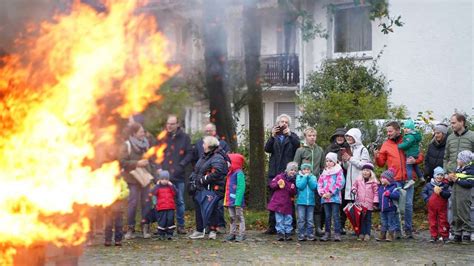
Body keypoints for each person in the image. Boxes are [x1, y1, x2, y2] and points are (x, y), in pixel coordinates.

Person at [375, 121, 423, 239]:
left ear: (398, 130)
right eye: (387, 131)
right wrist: (376, 157)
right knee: (395, 206)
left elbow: (420, 155)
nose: (388, 133)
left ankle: (408, 230)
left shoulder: (408, 139)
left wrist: (415, 161)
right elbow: (381, 164)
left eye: (390, 131)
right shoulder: (386, 144)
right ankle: (396, 230)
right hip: (394, 180)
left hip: (408, 178)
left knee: (407, 205)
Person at [264, 114, 300, 234]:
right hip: (274, 172)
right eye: (281, 121)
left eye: (285, 122)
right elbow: (267, 149)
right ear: (278, 123)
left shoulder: (292, 136)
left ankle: (291, 226)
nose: (283, 123)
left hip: (288, 172)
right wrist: (272, 136)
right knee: (274, 199)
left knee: (289, 199)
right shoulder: (274, 136)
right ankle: (272, 226)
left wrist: (289, 134)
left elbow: (297, 145)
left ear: (288, 124)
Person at [119, 122, 156, 240]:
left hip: (145, 177)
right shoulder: (127, 145)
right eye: (141, 131)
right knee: (133, 204)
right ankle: (130, 228)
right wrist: (137, 163)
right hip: (132, 179)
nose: (143, 133)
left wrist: (154, 173)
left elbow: (152, 159)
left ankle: (146, 227)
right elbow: (122, 162)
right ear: (134, 133)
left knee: (147, 203)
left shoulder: (147, 144)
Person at [157, 115, 193, 235]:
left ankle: (181, 225)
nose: (169, 126)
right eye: (168, 123)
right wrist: (159, 168)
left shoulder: (185, 137)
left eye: (172, 124)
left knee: (179, 201)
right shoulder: (162, 138)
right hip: (164, 176)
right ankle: (163, 226)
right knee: (162, 201)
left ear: (177, 124)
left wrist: (181, 165)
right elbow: (157, 153)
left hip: (178, 175)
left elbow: (189, 154)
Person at [188, 136, 228, 240]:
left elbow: (218, 171)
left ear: (209, 146)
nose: (202, 145)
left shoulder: (217, 157)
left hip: (211, 189)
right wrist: (193, 177)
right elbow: (197, 169)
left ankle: (212, 231)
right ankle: (199, 230)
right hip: (200, 188)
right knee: (199, 209)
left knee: (212, 210)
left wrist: (203, 180)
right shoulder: (204, 156)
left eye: (204, 143)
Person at [443, 113, 474, 241]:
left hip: (467, 178)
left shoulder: (472, 136)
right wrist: (446, 172)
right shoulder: (450, 138)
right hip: (452, 177)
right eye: (451, 122)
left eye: (454, 122)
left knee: (466, 205)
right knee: (453, 205)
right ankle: (456, 231)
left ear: (462, 122)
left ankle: (468, 231)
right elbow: (446, 157)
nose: (452, 125)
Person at [293, 127, 325, 236]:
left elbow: (322, 167)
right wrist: (300, 178)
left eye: (314, 136)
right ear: (305, 137)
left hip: (314, 182)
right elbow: (295, 166)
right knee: (303, 206)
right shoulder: (300, 150)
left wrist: (320, 179)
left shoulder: (319, 150)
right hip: (303, 183)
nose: (312, 138)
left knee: (316, 205)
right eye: (310, 136)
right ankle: (302, 229)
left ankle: (317, 228)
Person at [325, 128, 351, 234]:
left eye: (342, 136)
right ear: (335, 137)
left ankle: (341, 225)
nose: (340, 138)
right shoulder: (330, 148)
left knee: (344, 202)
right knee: (331, 202)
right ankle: (329, 226)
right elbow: (325, 162)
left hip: (345, 177)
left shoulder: (349, 148)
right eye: (338, 136)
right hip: (331, 179)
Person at [342, 128, 370, 218]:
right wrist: (345, 161)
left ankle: (362, 229)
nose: (348, 138)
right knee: (353, 209)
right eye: (347, 137)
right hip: (350, 184)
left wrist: (350, 159)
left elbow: (364, 166)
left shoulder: (363, 150)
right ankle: (356, 228)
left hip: (360, 182)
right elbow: (347, 167)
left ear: (356, 137)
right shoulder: (349, 149)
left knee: (360, 207)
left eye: (351, 136)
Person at [318, 152, 345, 242]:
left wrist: (331, 192)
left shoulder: (338, 171)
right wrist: (322, 193)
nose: (328, 163)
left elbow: (340, 183)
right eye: (327, 161)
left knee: (335, 215)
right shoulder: (324, 172)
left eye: (330, 161)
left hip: (335, 198)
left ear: (334, 162)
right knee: (327, 216)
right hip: (325, 198)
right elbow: (320, 183)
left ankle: (337, 233)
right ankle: (327, 233)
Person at [447, 150, 474, 243]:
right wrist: (450, 179)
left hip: (464, 195)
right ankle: (457, 231)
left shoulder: (471, 170)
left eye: (459, 159)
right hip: (455, 194)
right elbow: (452, 183)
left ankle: (467, 231)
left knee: (464, 212)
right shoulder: (458, 169)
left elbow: (470, 183)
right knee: (455, 212)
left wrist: (457, 179)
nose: (457, 160)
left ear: (464, 160)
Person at [267, 162, 298, 241]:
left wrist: (292, 188)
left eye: (295, 170)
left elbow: (294, 193)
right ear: (287, 170)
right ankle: (280, 233)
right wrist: (278, 184)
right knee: (279, 219)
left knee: (288, 219)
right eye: (291, 170)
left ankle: (288, 233)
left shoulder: (294, 181)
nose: (293, 172)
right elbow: (271, 185)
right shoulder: (279, 177)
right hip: (278, 203)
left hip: (288, 203)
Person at [421, 167, 451, 243]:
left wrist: (441, 192)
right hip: (432, 207)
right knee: (432, 221)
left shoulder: (445, 185)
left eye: (441, 175)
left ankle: (444, 236)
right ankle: (433, 236)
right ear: (434, 176)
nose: (439, 177)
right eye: (438, 175)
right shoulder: (428, 185)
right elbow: (423, 193)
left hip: (442, 207)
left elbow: (448, 194)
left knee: (443, 221)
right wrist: (427, 199)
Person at [351, 162, 379, 241]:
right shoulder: (359, 180)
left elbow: (376, 193)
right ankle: (361, 233)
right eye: (364, 170)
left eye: (367, 170)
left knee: (368, 219)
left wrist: (375, 202)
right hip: (360, 203)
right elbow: (354, 186)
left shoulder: (373, 182)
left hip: (369, 204)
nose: (365, 172)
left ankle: (367, 233)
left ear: (371, 172)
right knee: (361, 219)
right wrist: (354, 190)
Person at [224, 153, 246, 242]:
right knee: (232, 217)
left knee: (239, 217)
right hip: (230, 201)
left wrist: (238, 202)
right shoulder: (229, 173)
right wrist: (226, 201)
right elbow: (227, 189)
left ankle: (241, 233)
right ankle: (232, 233)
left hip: (237, 201)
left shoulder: (239, 173)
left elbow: (241, 187)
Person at [376, 168, 401, 242]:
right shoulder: (380, 187)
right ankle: (382, 234)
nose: (382, 179)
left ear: (389, 179)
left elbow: (397, 195)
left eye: (384, 178)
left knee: (391, 222)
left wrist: (390, 194)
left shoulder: (393, 187)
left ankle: (390, 235)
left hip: (391, 209)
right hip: (382, 209)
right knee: (383, 222)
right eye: (381, 178)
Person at [151, 170, 177, 240]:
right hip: (161, 207)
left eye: (166, 179)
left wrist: (172, 185)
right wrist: (157, 185)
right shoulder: (158, 187)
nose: (164, 181)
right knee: (162, 221)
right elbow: (153, 192)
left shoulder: (170, 186)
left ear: (168, 180)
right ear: (160, 180)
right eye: (162, 179)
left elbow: (175, 193)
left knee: (170, 220)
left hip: (170, 207)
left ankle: (170, 233)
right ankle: (161, 234)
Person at [295, 163, 318, 241]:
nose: (306, 171)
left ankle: (310, 234)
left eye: (308, 169)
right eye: (304, 169)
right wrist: (305, 178)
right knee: (301, 219)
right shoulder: (299, 177)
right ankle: (301, 234)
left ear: (310, 170)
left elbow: (314, 186)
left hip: (311, 202)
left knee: (310, 219)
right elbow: (300, 186)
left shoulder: (313, 177)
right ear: (302, 170)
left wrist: (309, 178)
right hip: (301, 202)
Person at [104, 176, 129, 246]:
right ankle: (107, 240)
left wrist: (118, 195)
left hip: (119, 205)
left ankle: (118, 240)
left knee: (119, 224)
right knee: (108, 224)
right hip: (108, 205)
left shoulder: (121, 181)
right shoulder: (106, 179)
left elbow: (126, 191)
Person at [398, 119, 424, 188]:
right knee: (415, 166)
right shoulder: (414, 135)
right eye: (405, 128)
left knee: (408, 167)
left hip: (410, 154)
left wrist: (399, 146)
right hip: (415, 154)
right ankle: (421, 177)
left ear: (411, 128)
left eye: (408, 128)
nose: (406, 129)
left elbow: (407, 144)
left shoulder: (409, 136)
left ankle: (410, 180)